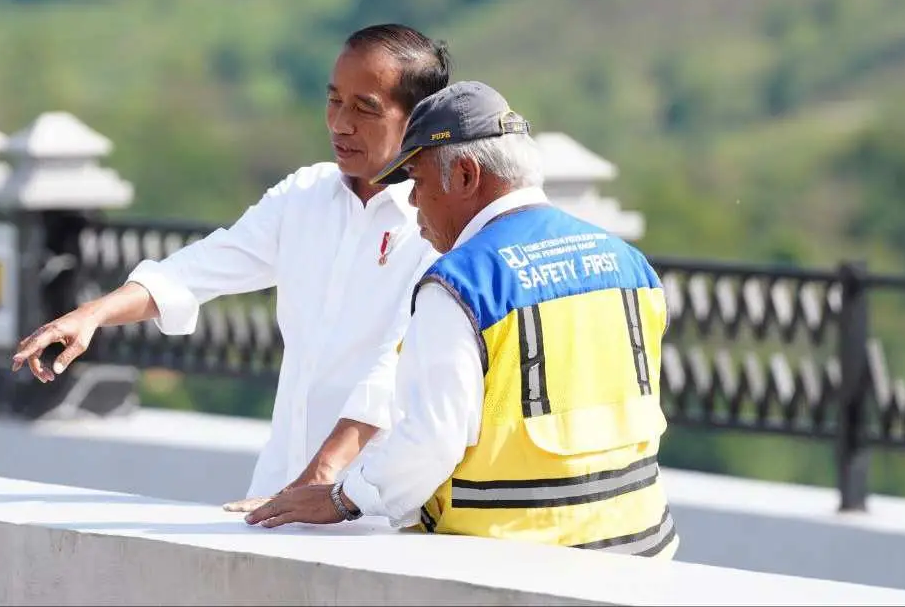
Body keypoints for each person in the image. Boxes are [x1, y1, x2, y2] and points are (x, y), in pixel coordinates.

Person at [11, 24, 449, 503]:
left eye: (365, 108)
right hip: (278, 487)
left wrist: (319, 480)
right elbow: (201, 266)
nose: (340, 124)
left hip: (372, 501)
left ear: (418, 120)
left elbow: (390, 372)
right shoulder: (304, 196)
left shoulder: (437, 224)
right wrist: (93, 314)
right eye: (333, 101)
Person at [243, 81, 678, 559]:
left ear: (467, 176)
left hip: (517, 560)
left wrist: (341, 498)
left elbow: (431, 440)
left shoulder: (461, 284)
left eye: (418, 181)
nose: (411, 203)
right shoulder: (628, 262)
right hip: (640, 547)